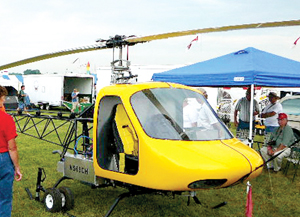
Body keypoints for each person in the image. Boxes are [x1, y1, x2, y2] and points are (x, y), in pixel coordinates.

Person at [0, 96, 23, 216]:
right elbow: (12, 147)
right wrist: (17, 167)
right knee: (4, 198)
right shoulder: (6, 119)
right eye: (3, 98)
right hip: (3, 158)